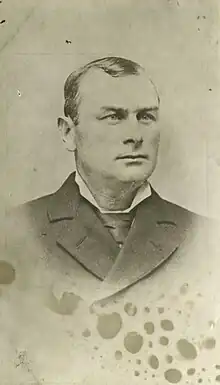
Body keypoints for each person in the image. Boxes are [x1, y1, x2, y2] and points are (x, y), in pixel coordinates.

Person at [1, 57, 220, 385]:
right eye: (113, 117)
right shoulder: (12, 235)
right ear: (68, 134)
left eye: (146, 117)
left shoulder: (206, 237)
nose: (135, 135)